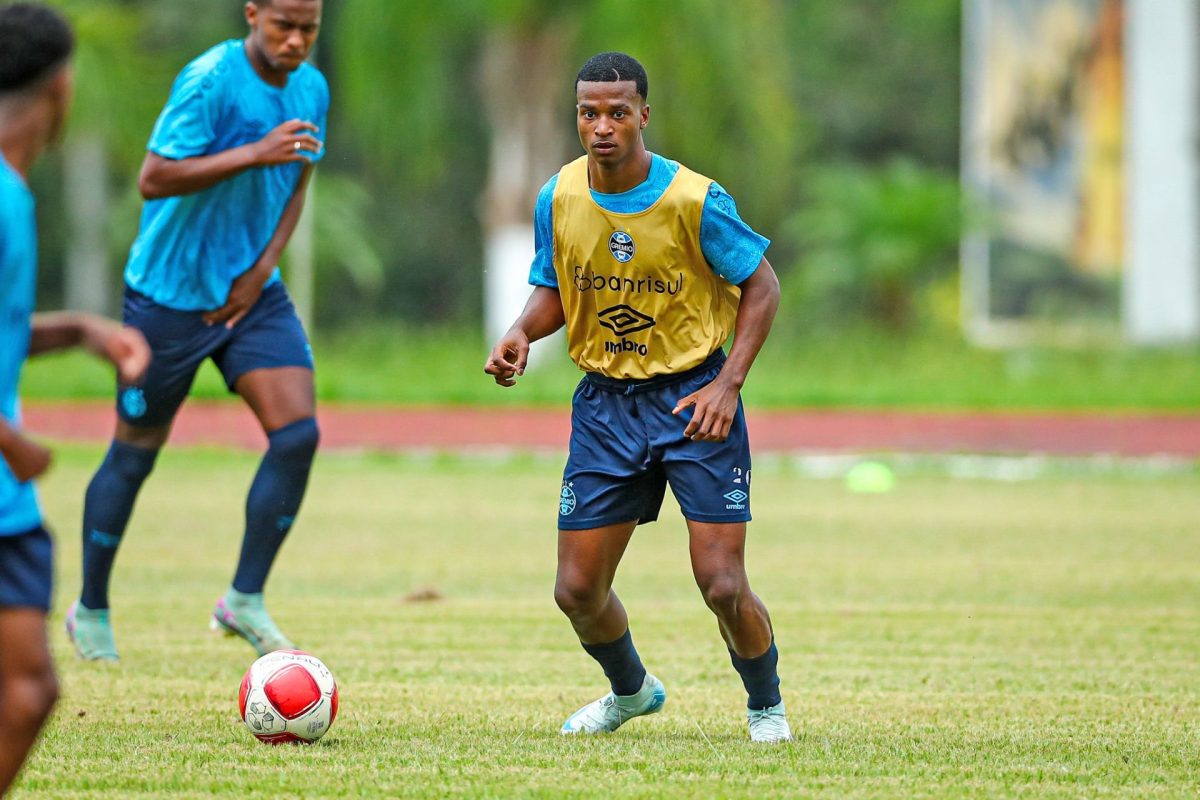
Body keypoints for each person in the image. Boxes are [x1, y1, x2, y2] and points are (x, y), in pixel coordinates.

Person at [485, 52, 790, 743]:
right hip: (605, 409)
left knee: (722, 585)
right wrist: (520, 333)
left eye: (617, 112)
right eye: (588, 113)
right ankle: (631, 692)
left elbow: (763, 286)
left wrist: (727, 383)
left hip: (693, 402)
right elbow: (558, 288)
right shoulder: (558, 197)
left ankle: (766, 707)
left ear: (643, 116)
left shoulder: (694, 200)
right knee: (576, 592)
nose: (601, 126)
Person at [66, 0, 328, 661]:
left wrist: (262, 267)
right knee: (136, 453)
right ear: (252, 14)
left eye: (309, 28)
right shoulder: (209, 81)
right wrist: (253, 151)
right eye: (283, 26)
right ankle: (90, 607)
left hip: (250, 294)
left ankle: (243, 599)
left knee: (298, 434)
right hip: (169, 298)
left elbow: (298, 179)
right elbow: (153, 178)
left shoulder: (311, 88)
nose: (296, 40)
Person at [0, 4, 151, 793]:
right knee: (26, 691)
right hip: (5, 478)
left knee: (29, 691)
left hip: (8, 507)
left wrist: (84, 333)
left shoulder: (15, 194)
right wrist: (10, 440)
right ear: (62, 88)